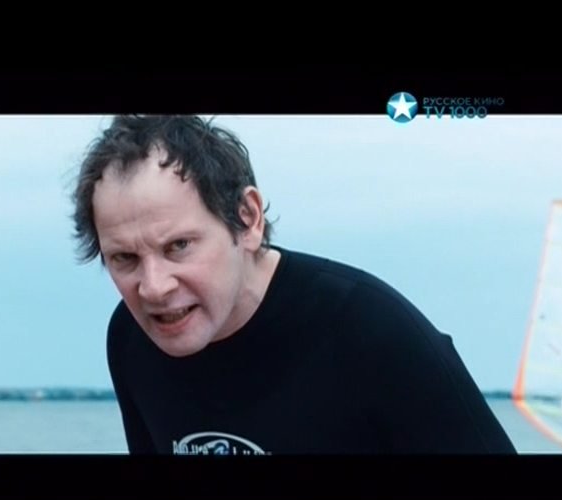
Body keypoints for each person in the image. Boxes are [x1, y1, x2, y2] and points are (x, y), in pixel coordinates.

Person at [71, 115, 517, 455]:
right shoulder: (130, 340)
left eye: (179, 246)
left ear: (247, 219)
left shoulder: (373, 332)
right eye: (125, 258)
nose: (153, 287)